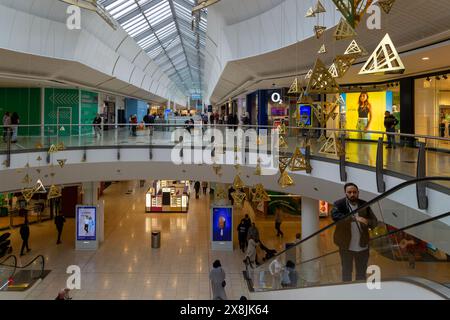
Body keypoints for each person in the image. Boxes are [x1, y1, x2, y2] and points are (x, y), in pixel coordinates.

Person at [331, 183, 378, 282]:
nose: (352, 194)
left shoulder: (364, 204)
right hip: (346, 246)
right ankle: (347, 293)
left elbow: (374, 222)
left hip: (363, 246)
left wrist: (367, 221)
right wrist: (354, 218)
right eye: (349, 192)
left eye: (354, 192)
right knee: (346, 271)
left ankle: (359, 292)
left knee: (361, 272)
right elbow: (335, 217)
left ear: (358, 193)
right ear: (345, 193)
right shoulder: (339, 204)